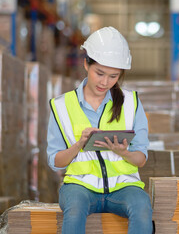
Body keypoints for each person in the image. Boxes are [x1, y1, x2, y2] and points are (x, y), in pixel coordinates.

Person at [47, 26, 153, 234]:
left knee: (142, 207)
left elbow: (141, 159)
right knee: (75, 210)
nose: (105, 82)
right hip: (79, 188)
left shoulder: (131, 103)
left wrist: (124, 153)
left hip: (124, 188)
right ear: (86, 64)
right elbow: (55, 162)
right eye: (100, 73)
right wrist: (78, 145)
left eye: (113, 76)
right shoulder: (61, 106)